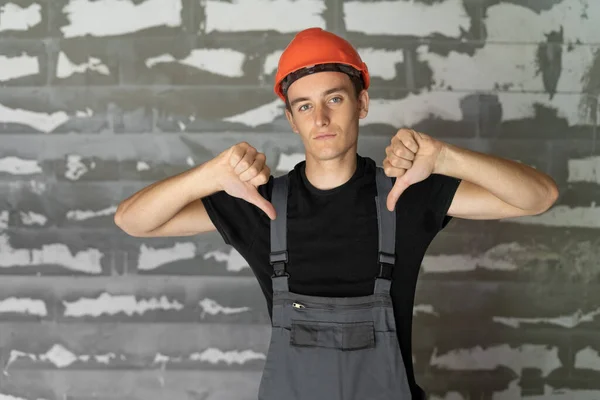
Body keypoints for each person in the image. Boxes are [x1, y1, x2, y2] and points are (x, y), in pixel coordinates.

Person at [114, 28, 559, 400]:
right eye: (305, 105)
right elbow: (133, 221)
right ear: (291, 119)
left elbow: (538, 197)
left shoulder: (405, 193)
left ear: (362, 103)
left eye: (335, 99)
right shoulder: (260, 205)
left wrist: (445, 157)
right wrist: (209, 174)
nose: (321, 117)